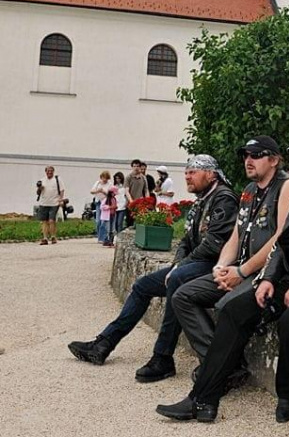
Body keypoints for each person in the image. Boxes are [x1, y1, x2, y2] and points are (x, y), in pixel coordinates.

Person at [156, 134, 289, 424]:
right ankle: (202, 399)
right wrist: (269, 278)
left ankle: (288, 395)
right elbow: (283, 242)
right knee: (234, 311)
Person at [68, 154, 239, 383]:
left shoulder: (224, 199)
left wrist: (180, 266)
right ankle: (104, 343)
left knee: (177, 279)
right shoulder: (203, 198)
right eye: (186, 171)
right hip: (195, 263)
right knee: (142, 286)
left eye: (193, 172)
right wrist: (179, 262)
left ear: (211, 174)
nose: (187, 176)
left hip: (216, 265)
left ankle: (162, 358)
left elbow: (214, 244)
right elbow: (187, 241)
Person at [166, 136, 289, 386]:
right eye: (246, 156)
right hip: (241, 269)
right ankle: (224, 367)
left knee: (226, 306)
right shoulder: (250, 191)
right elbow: (236, 235)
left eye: (256, 155)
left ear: (274, 160)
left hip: (269, 275)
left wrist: (242, 271)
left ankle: (217, 370)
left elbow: (280, 239)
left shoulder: (288, 185)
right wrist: (221, 267)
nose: (248, 161)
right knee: (183, 295)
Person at [37, 165, 65, 245]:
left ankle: (53, 237)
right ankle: (45, 238)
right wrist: (40, 188)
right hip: (44, 203)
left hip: (54, 203)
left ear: (53, 171)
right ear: (45, 172)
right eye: (48, 171)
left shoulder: (57, 179)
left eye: (51, 171)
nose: (49, 172)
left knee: (51, 220)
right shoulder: (42, 180)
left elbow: (62, 190)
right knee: (44, 221)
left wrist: (61, 199)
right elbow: (38, 193)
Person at [90, 171, 114, 243]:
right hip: (98, 202)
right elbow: (91, 191)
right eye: (103, 178)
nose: (104, 179)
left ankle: (103, 237)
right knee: (98, 221)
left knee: (104, 220)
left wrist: (104, 192)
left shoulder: (110, 184)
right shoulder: (97, 183)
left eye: (106, 178)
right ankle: (99, 235)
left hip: (105, 203)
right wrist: (98, 190)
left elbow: (111, 194)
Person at [124, 159, 148, 225]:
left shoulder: (143, 178)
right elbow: (126, 191)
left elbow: (146, 190)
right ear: (132, 167)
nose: (136, 168)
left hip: (140, 202)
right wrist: (131, 201)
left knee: (140, 221)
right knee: (129, 221)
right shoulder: (128, 177)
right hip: (130, 203)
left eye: (137, 166)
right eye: (134, 166)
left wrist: (147, 200)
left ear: (140, 167)